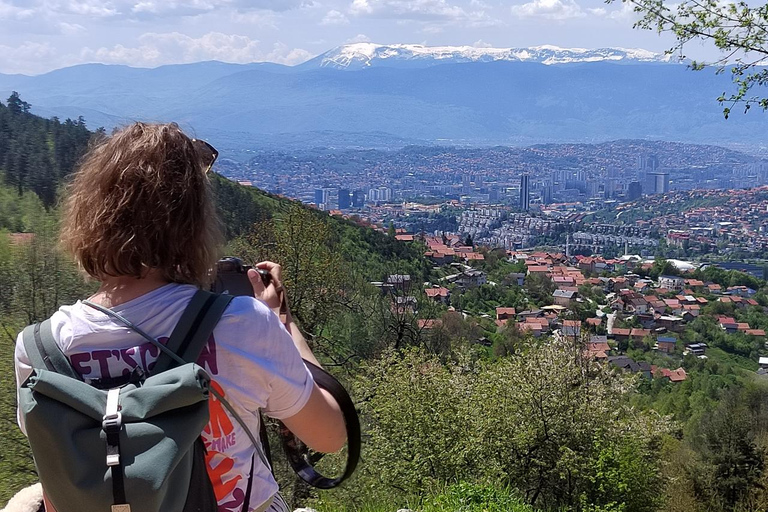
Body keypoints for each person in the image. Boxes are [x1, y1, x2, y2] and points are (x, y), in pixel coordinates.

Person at [13, 122, 346, 512]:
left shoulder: (40, 348)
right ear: (194, 225)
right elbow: (329, 435)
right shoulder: (241, 323)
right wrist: (282, 322)